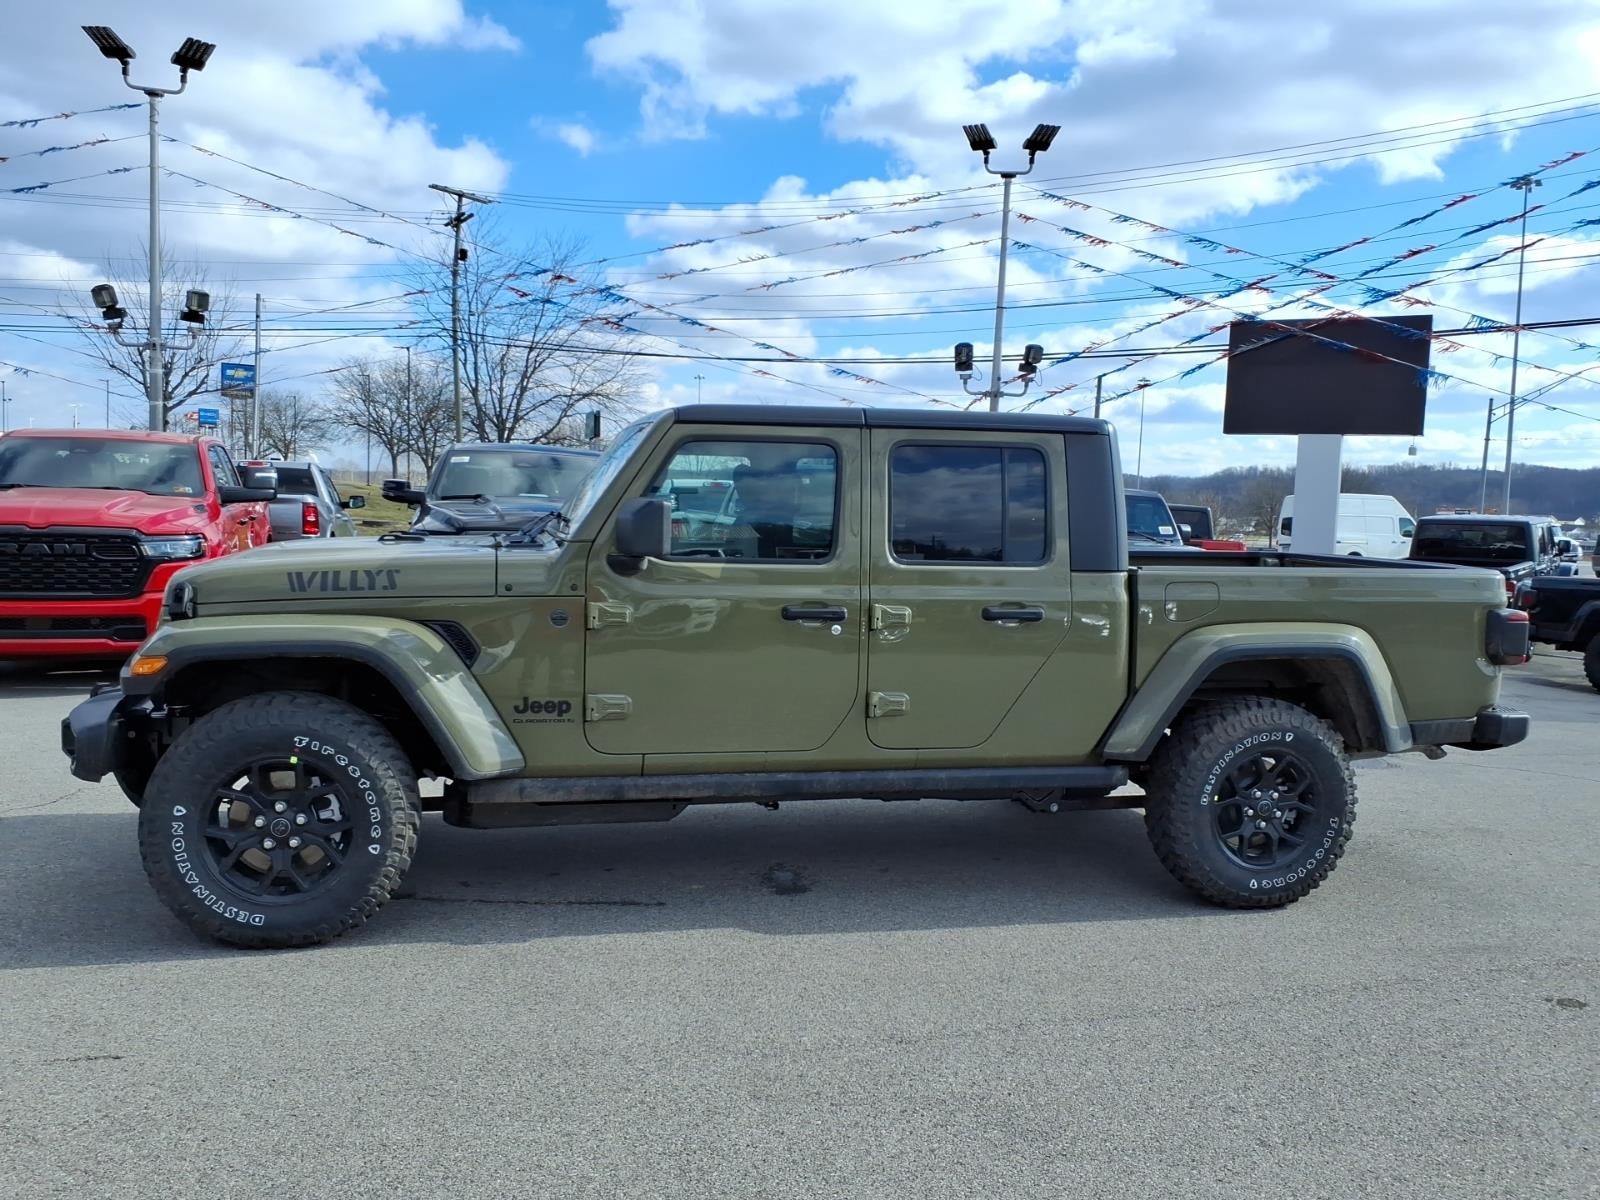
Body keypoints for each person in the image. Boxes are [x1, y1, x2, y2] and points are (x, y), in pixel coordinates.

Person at [723, 461, 796, 558]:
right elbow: (731, 552)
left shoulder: (777, 519)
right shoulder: (743, 521)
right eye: (741, 489)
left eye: (748, 490)